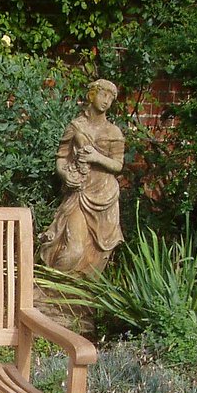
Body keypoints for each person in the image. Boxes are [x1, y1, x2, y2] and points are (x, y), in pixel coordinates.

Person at [39, 79, 125, 275]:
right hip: (80, 193)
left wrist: (96, 157)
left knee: (98, 255)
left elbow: (118, 165)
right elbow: (61, 158)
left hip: (105, 194)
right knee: (74, 250)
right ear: (92, 94)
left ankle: (81, 302)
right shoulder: (76, 127)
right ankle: (50, 293)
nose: (107, 101)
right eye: (104, 95)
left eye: (111, 98)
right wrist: (64, 174)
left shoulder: (114, 132)